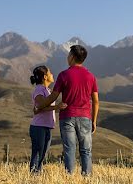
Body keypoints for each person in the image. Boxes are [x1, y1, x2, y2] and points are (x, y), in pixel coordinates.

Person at [35, 44, 99, 175]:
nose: (67, 57)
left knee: (69, 149)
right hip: (85, 116)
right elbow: (96, 101)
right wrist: (94, 120)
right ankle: (87, 177)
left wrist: (40, 105)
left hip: (67, 116)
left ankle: (69, 178)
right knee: (86, 150)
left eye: (69, 55)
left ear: (73, 57)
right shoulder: (91, 76)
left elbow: (53, 96)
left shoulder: (64, 75)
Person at [28, 65, 65, 173]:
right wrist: (57, 107)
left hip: (46, 126)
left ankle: (37, 174)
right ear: (45, 77)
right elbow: (39, 106)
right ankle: (34, 175)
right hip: (39, 126)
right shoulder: (39, 89)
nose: (52, 75)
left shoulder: (46, 90)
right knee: (38, 153)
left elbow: (43, 108)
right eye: (50, 73)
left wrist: (59, 107)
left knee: (42, 153)